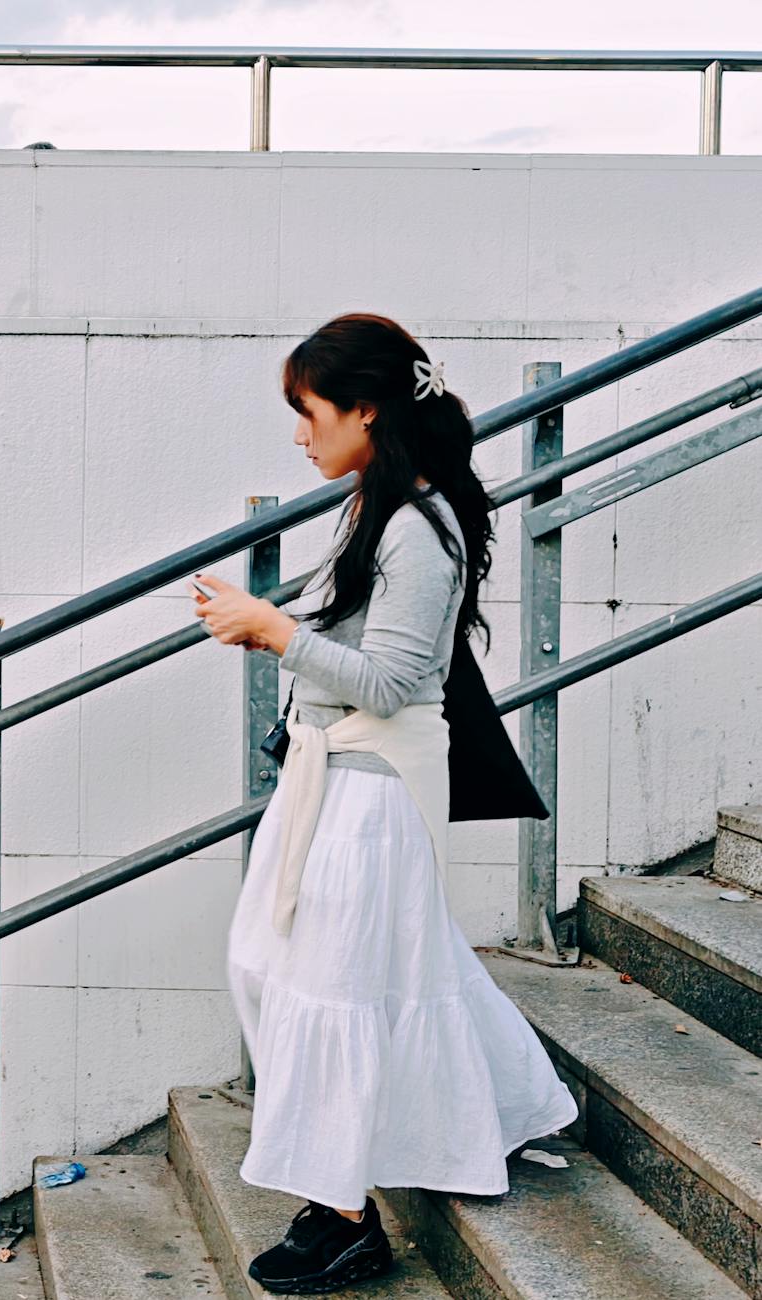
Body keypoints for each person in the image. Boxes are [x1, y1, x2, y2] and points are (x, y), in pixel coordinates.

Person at [192, 314, 578, 1294]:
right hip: (330, 781)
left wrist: (271, 630)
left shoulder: (414, 525)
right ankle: (493, 1110)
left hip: (370, 790)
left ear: (364, 410)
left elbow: (395, 679)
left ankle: (345, 1218)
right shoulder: (378, 508)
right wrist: (272, 638)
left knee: (329, 989)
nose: (296, 433)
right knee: (309, 966)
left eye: (306, 411)